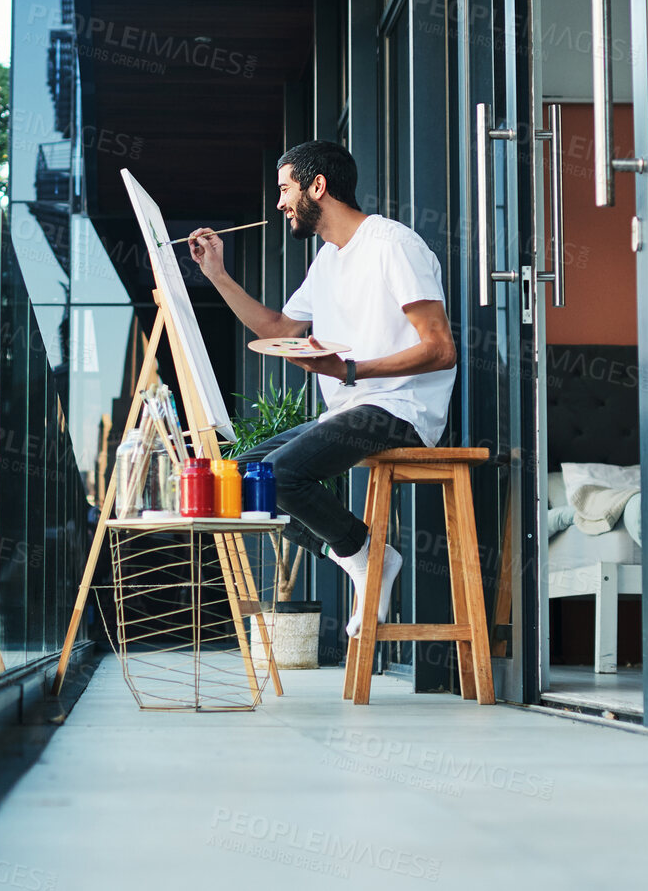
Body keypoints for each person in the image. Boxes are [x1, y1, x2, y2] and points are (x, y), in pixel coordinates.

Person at [188, 140, 457, 639]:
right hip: (350, 408)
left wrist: (349, 371)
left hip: (401, 407)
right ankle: (361, 555)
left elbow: (441, 349)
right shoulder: (328, 260)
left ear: (318, 186)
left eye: (285, 189)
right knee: (245, 481)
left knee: (280, 474)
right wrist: (217, 275)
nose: (280, 203)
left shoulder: (392, 245)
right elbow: (277, 328)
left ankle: (367, 556)